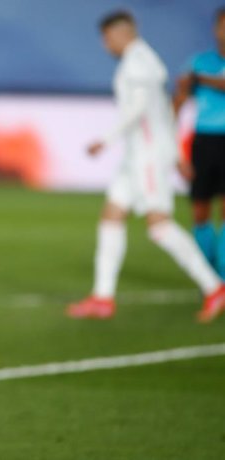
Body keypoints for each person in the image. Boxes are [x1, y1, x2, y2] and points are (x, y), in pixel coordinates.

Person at [67, 10, 225, 323]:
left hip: (148, 157)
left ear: (119, 34)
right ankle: (102, 297)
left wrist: (105, 139)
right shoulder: (143, 60)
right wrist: (178, 153)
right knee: (112, 215)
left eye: (107, 38)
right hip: (136, 155)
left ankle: (215, 287)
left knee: (159, 226)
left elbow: (139, 110)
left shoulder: (138, 63)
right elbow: (162, 111)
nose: (105, 45)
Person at [173, 7, 225, 277]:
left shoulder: (199, 72)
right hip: (204, 140)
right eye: (223, 26)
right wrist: (173, 148)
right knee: (200, 209)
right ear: (215, 29)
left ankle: (223, 275)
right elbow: (178, 101)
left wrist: (200, 80)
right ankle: (208, 273)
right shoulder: (199, 61)